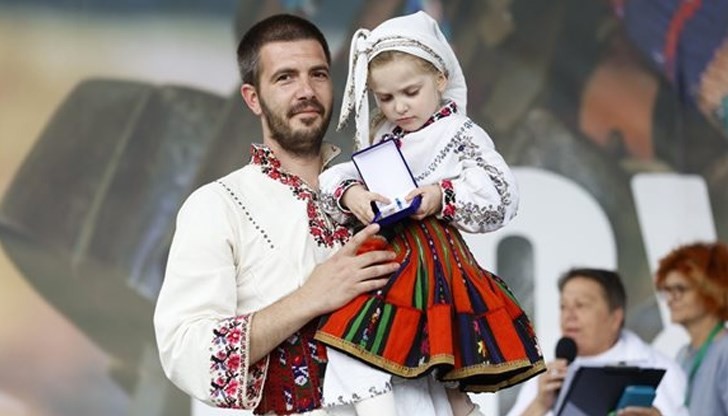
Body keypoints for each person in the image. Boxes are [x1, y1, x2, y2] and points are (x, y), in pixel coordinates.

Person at [153, 13, 454, 416]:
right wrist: (310, 298)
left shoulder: (378, 190)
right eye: (285, 78)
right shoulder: (218, 205)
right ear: (253, 98)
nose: (306, 91)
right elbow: (187, 353)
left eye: (318, 75)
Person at [315, 11, 545, 416]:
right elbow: (341, 176)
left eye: (410, 91)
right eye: (385, 98)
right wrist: (353, 195)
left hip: (434, 260)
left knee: (442, 360)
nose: (399, 106)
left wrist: (441, 195)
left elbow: (501, 193)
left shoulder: (458, 133)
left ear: (440, 78)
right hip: (390, 256)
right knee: (371, 349)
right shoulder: (383, 135)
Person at [506, 268, 688, 416]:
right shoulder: (548, 376)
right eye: (563, 306)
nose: (568, 316)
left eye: (580, 305)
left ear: (615, 318)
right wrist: (539, 405)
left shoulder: (661, 368)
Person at [655, 241, 728, 416]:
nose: (671, 299)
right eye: (667, 291)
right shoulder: (683, 355)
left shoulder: (725, 351)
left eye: (680, 289)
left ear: (711, 289)